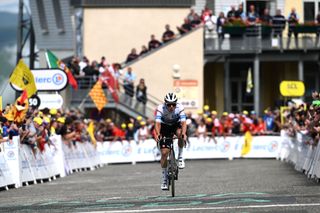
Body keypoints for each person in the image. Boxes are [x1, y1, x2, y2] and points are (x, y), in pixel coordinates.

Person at [154, 92, 187, 190]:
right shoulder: (160, 108)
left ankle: (180, 157)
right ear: (165, 104)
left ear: (176, 104)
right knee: (164, 153)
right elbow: (157, 124)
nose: (171, 107)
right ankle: (164, 178)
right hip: (164, 127)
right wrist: (158, 134)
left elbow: (184, 123)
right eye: (169, 104)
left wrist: (183, 134)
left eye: (173, 104)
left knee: (181, 135)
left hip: (175, 125)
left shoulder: (180, 108)